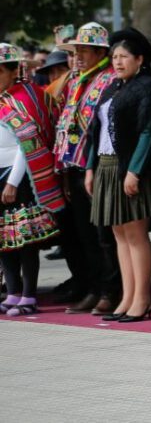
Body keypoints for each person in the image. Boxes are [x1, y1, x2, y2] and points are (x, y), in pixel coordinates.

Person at [84, 28, 151, 322]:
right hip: (106, 166)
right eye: (114, 57)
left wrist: (134, 171)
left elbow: (148, 132)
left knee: (136, 234)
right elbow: (97, 131)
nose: (117, 62)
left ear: (139, 59)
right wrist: (90, 168)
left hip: (130, 166)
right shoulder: (112, 87)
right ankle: (127, 297)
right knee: (119, 234)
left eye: (124, 57)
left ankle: (142, 299)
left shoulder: (147, 87)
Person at [53, 22, 121, 315]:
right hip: (75, 167)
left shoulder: (109, 79)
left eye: (84, 51)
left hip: (98, 165)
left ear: (100, 52)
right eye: (75, 51)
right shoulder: (76, 80)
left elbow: (101, 128)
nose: (77, 56)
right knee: (85, 233)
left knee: (103, 235)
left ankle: (110, 291)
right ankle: (94, 288)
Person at [0, 44, 64, 317]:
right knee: (4, 238)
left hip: (21, 177)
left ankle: (29, 294)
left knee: (25, 238)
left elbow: (27, 145)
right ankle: (12, 292)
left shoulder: (24, 98)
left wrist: (13, 182)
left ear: (13, 71)